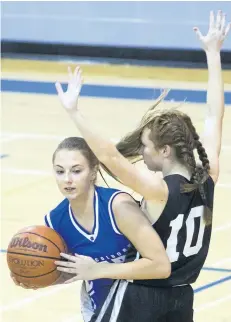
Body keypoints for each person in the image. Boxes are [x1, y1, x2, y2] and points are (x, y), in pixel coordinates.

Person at [54, 10, 230, 322]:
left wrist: (74, 112)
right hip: (182, 296)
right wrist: (214, 54)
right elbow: (215, 116)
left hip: (141, 296)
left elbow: (109, 157)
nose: (142, 153)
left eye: (146, 146)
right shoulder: (209, 174)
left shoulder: (159, 191)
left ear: (164, 150)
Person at [11, 136, 170, 322]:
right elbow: (75, 270)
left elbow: (160, 266)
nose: (67, 179)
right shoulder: (55, 221)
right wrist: (37, 277)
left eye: (76, 171)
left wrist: (98, 270)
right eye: (60, 171)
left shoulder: (118, 207)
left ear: (93, 171)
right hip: (101, 311)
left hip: (146, 309)